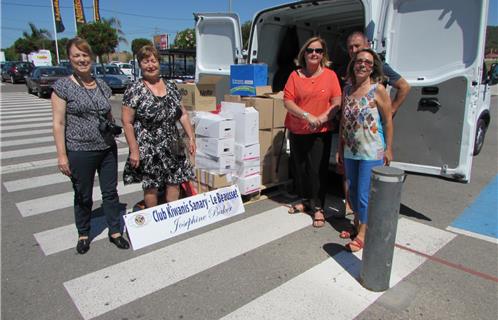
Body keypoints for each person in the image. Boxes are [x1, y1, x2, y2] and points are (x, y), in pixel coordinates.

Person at [52, 37, 129, 254]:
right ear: (70, 59)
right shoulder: (63, 86)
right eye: (77, 55)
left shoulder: (102, 85)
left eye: (85, 55)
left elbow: (106, 114)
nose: (82, 59)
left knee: (110, 193)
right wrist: (62, 155)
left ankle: (115, 231)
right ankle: (84, 233)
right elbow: (58, 123)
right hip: (79, 149)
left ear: (91, 58)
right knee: (83, 194)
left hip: (106, 149)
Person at [121, 45, 196, 208]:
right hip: (148, 146)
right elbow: (127, 122)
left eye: (153, 61)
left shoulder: (171, 86)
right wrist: (134, 149)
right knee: (151, 186)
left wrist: (191, 137)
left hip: (172, 143)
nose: (150, 65)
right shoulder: (134, 89)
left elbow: (182, 114)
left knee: (174, 181)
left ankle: (172, 215)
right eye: (145, 61)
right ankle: (153, 218)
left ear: (159, 63)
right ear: (140, 64)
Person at [338, 48, 393, 252]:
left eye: (368, 63)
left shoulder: (378, 90)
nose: (363, 65)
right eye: (359, 61)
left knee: (363, 194)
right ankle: (357, 225)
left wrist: (389, 148)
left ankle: (363, 232)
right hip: (351, 150)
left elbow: (388, 121)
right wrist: (340, 146)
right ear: (353, 64)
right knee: (351, 191)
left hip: (372, 151)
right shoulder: (347, 90)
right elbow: (343, 120)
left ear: (373, 68)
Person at [283, 36, 342, 228]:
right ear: (304, 54)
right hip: (298, 129)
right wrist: (307, 116)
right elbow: (288, 101)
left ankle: (318, 208)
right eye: (310, 50)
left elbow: (337, 102)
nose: (314, 54)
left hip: (320, 130)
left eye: (318, 50)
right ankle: (306, 200)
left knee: (317, 170)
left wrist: (322, 118)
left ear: (323, 54)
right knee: (301, 169)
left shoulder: (330, 75)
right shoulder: (295, 75)